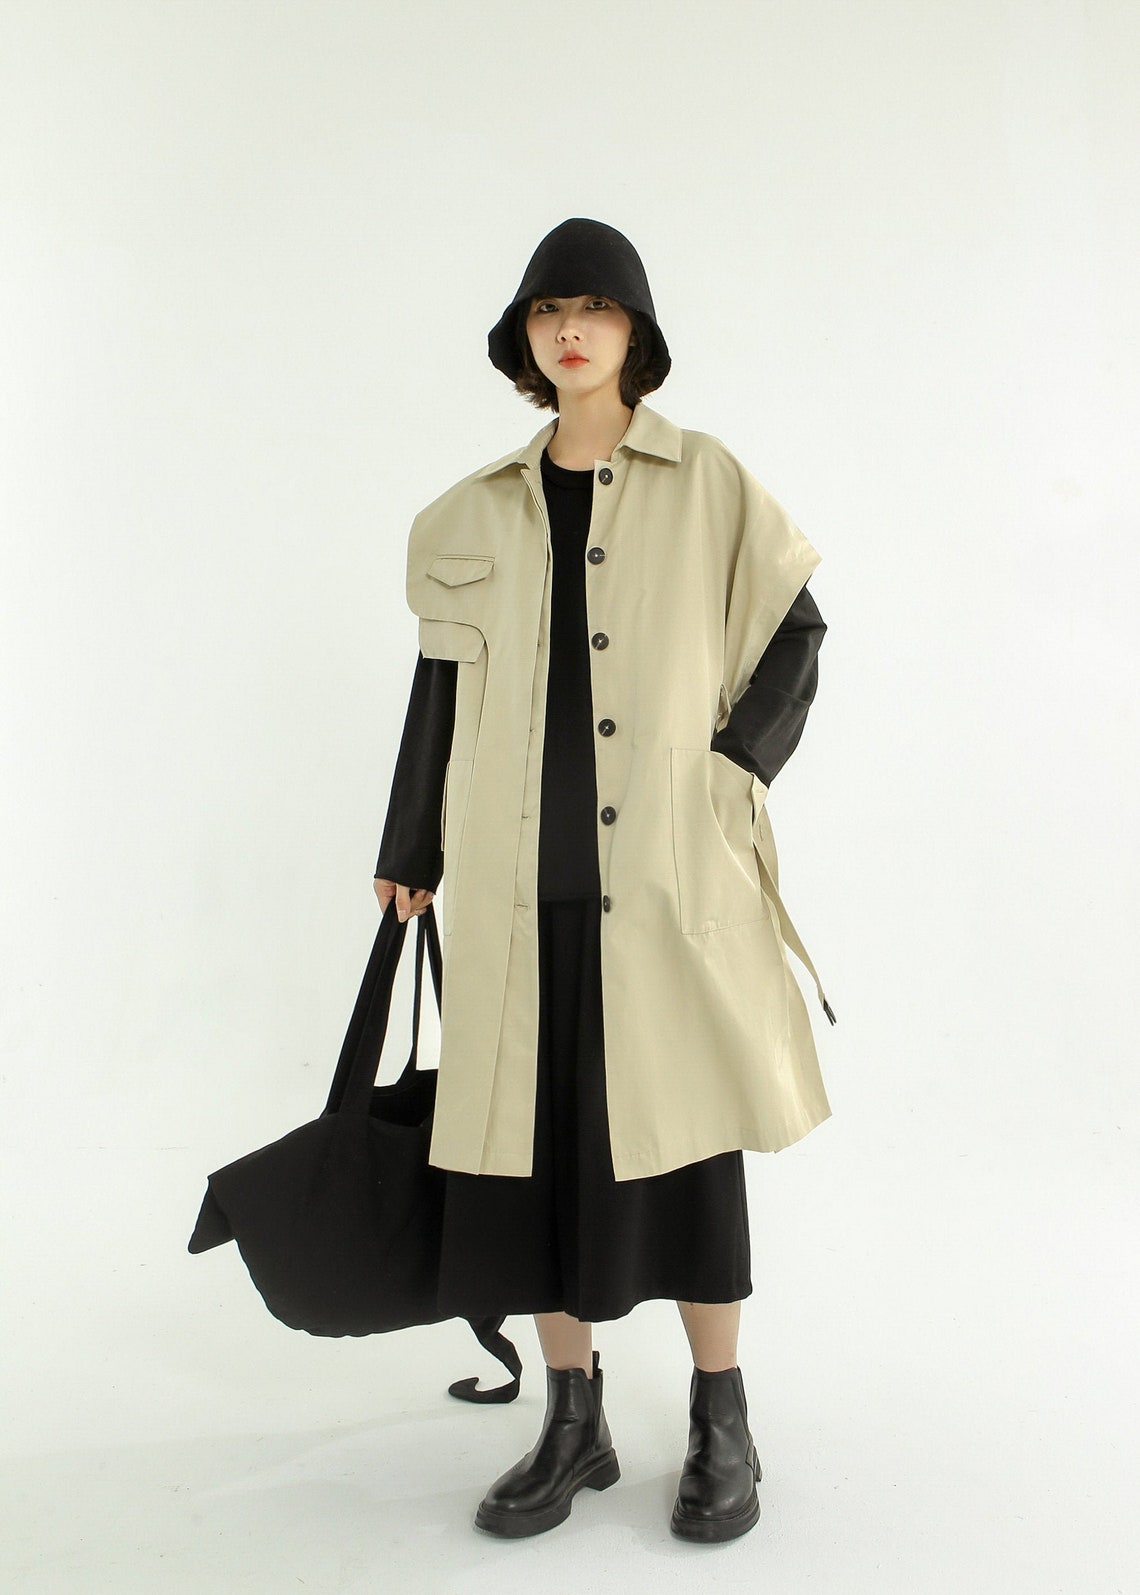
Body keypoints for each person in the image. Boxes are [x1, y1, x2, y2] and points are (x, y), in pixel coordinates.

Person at [373, 218, 833, 1542]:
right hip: (515, 891)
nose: (571, 331)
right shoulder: (472, 512)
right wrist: (410, 851)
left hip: (667, 885)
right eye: (549, 311)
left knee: (686, 1154)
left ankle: (721, 1418)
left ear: (635, 333)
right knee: (525, 1168)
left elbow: (797, 629)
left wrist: (732, 771)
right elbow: (437, 692)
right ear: (525, 337)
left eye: (596, 309)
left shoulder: (708, 481)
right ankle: (573, 1423)